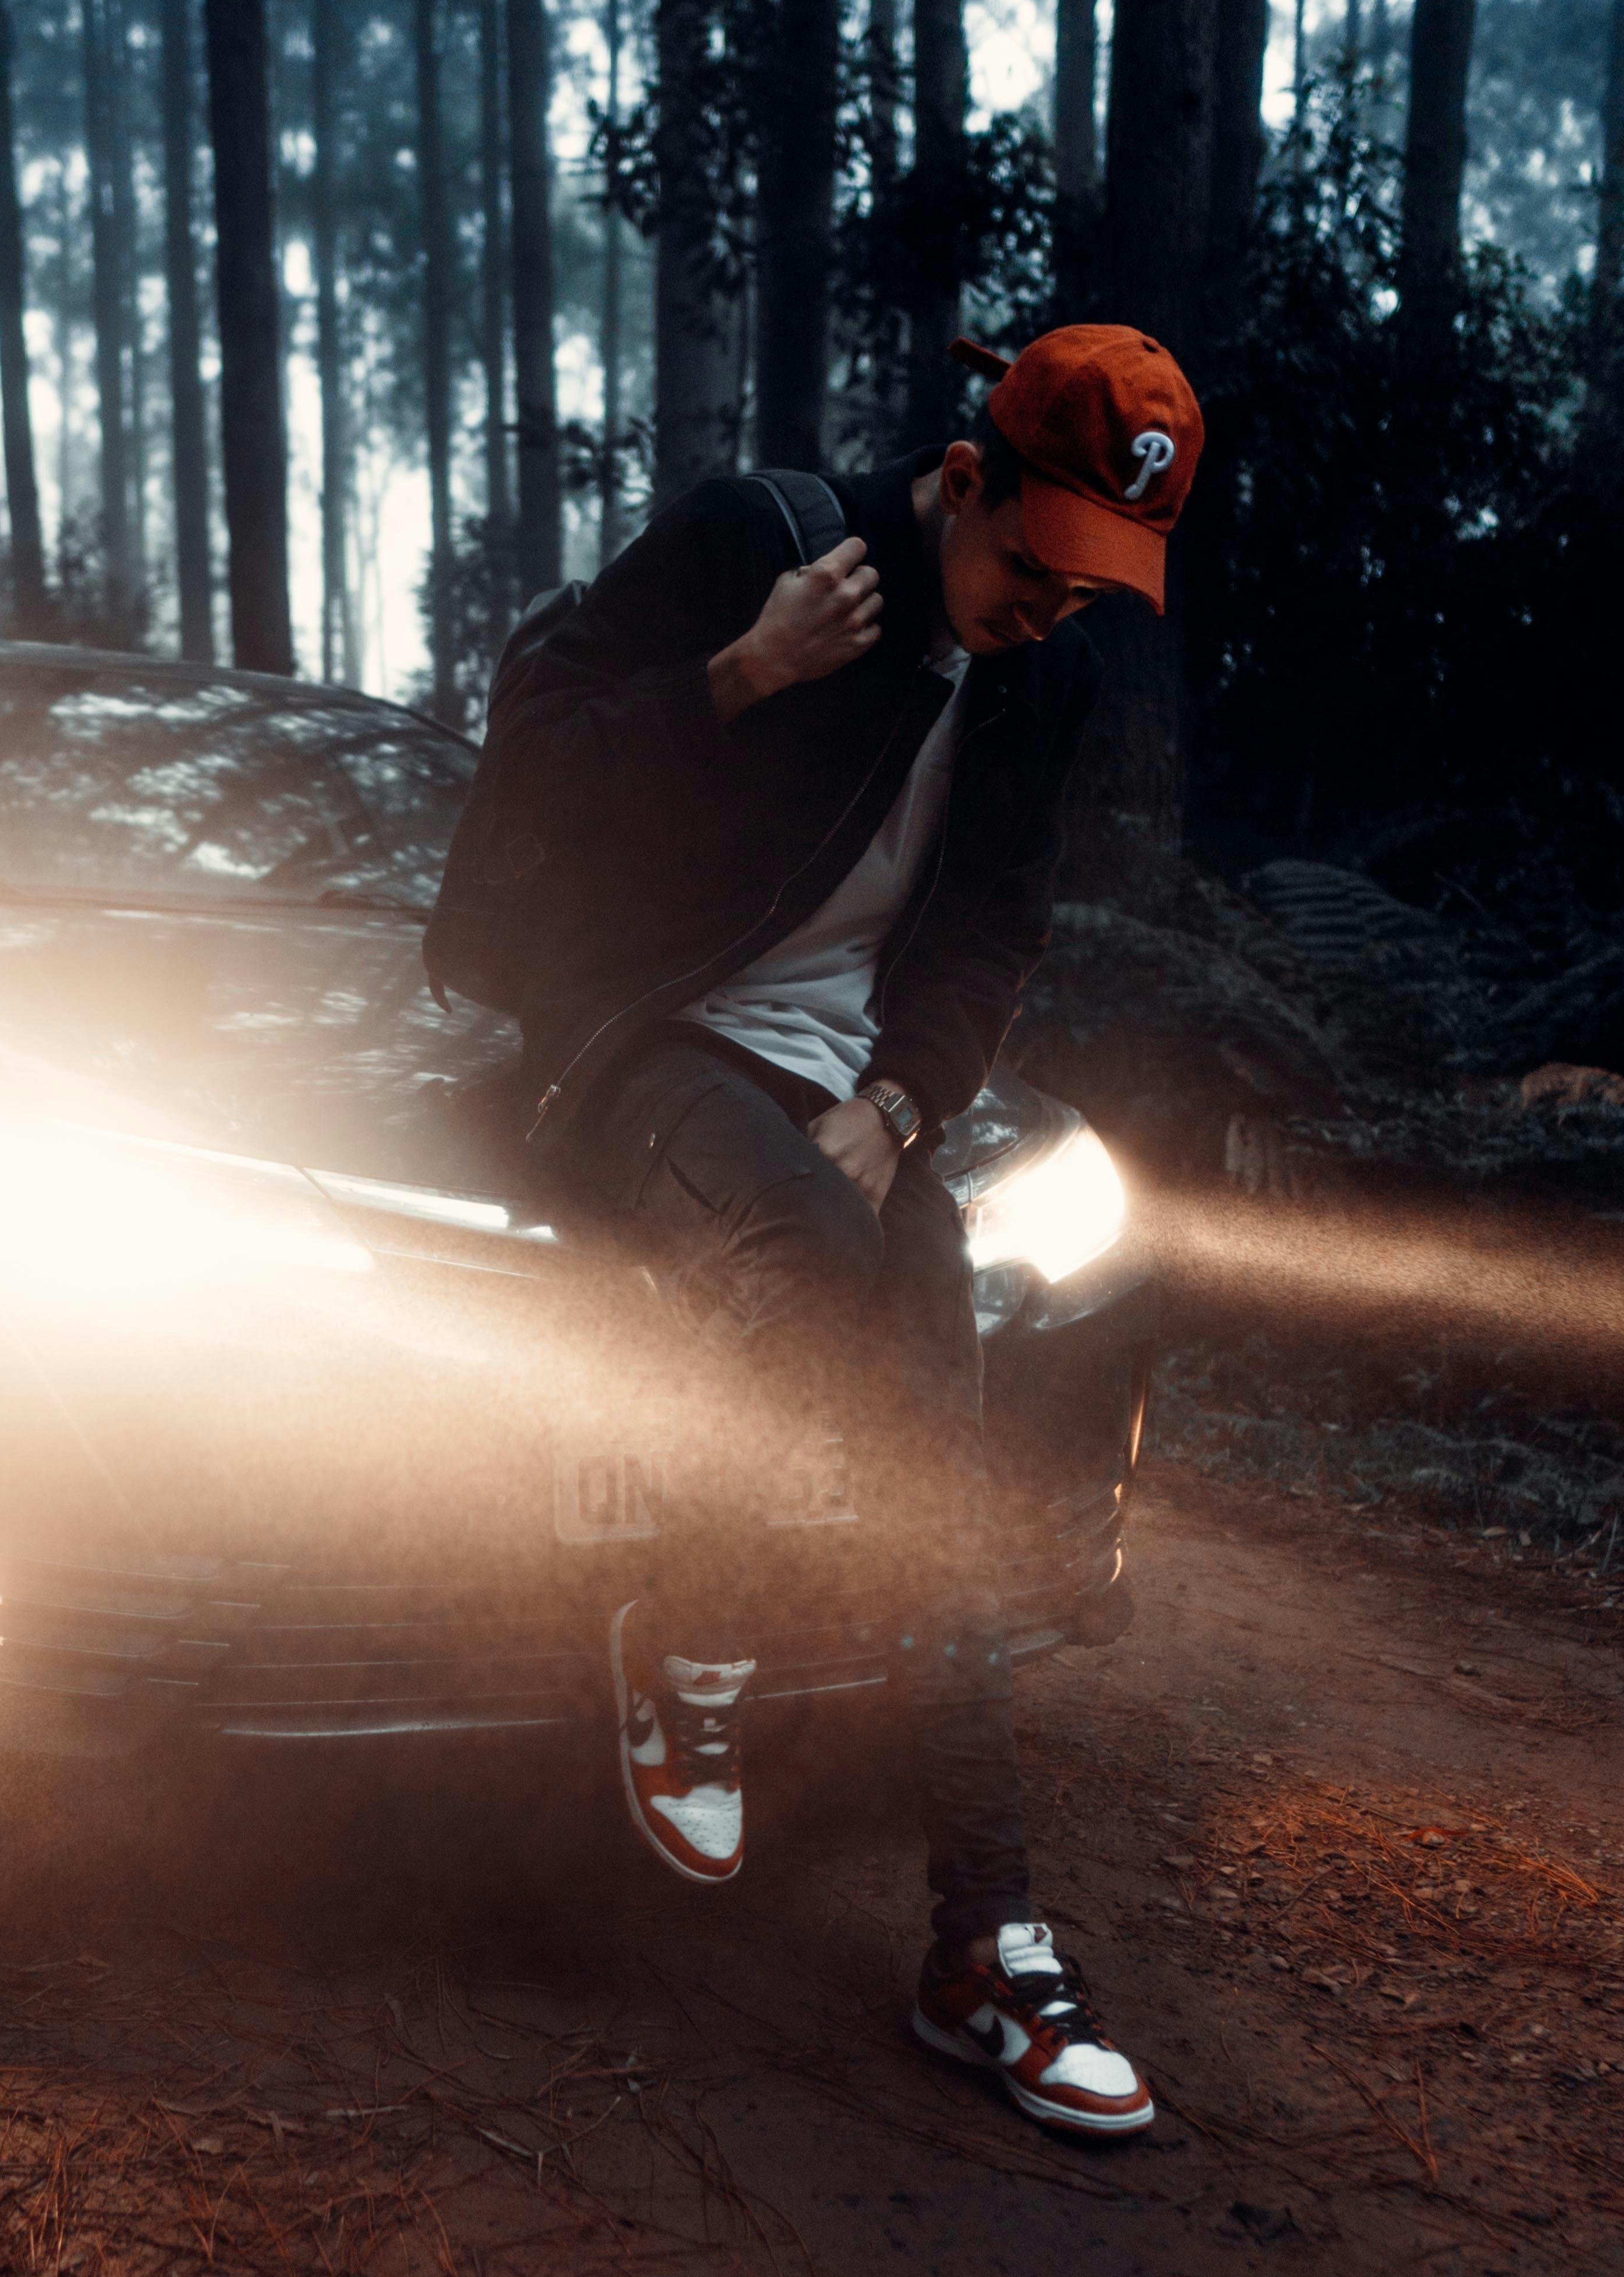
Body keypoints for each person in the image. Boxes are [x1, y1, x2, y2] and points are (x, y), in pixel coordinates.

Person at [428, 327, 1201, 2141]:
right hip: (632, 1034)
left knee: (944, 1446)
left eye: (1094, 588)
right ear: (961, 480)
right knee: (823, 1279)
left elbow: (988, 939)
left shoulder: (1043, 687)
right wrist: (736, 677)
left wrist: (905, 1110)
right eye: (1030, 563)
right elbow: (527, 767)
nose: (1047, 610)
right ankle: (690, 1645)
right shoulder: (758, 543)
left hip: (835, 1095)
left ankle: (982, 1937)